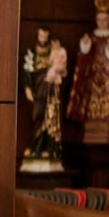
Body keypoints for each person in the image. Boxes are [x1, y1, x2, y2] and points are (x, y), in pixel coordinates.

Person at [66, 0, 109, 124]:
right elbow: (84, 57)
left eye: (105, 20)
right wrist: (85, 45)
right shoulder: (92, 37)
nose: (102, 23)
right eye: (99, 20)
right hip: (93, 77)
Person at [20, 37, 67, 172]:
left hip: (51, 95)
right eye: (40, 36)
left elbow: (62, 69)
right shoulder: (34, 56)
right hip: (40, 95)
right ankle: (36, 146)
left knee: (50, 121)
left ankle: (50, 148)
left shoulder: (60, 53)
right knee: (37, 118)